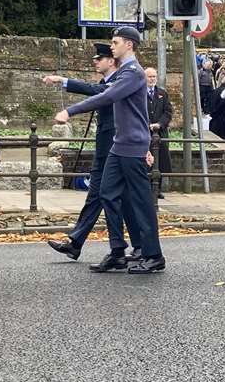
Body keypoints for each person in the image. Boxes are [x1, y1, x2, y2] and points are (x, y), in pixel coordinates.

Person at [55, 27, 164, 274]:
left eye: (115, 43)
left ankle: (153, 255)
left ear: (129, 45)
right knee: (106, 194)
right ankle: (117, 251)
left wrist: (70, 111)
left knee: (141, 202)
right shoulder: (124, 72)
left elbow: (108, 96)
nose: (111, 46)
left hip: (132, 147)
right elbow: (107, 93)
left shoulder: (134, 73)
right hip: (119, 145)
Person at [42, 44, 129, 266]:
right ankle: (76, 242)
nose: (95, 62)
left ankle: (128, 249)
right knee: (96, 195)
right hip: (104, 147)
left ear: (111, 61)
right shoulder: (106, 81)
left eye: (99, 58)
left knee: (115, 198)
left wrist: (63, 81)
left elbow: (97, 92)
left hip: (116, 148)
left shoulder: (119, 80)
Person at [144, 66, 173, 197]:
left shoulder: (162, 93)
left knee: (160, 161)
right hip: (145, 133)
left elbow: (168, 112)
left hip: (160, 134)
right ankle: (146, 189)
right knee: (146, 161)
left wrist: (159, 124)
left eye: (154, 76)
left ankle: (157, 190)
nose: (152, 79)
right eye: (149, 76)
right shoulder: (139, 94)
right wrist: (147, 124)